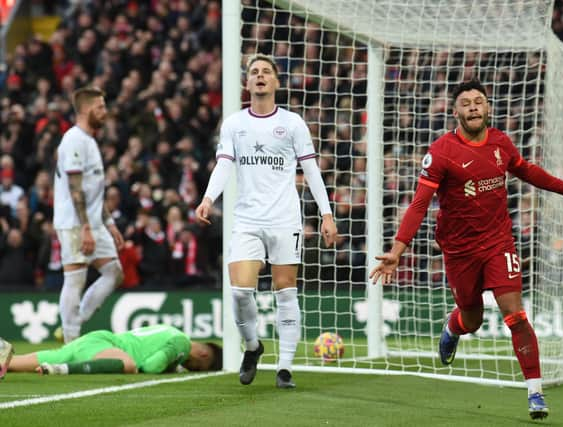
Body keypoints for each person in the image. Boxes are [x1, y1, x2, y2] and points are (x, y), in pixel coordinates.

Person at [369, 79, 563, 420]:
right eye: (466, 103)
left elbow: (525, 169)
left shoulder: (501, 143)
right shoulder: (442, 152)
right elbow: (419, 204)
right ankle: (453, 327)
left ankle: (535, 392)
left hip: (498, 241)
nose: (473, 107)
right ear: (455, 111)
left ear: (488, 108)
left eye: (479, 101)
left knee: (515, 314)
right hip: (459, 249)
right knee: (471, 319)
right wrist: (398, 250)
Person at [195, 54, 337, 389]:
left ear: (276, 82)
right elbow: (224, 165)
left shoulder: (292, 123)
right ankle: (253, 346)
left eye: (266, 72)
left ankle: (285, 368)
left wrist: (326, 213)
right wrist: (207, 198)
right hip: (246, 219)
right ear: (247, 83)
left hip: (285, 219)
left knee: (286, 292)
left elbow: (311, 170)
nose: (259, 76)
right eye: (254, 72)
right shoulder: (234, 124)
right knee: (241, 291)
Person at [53, 86, 125, 343]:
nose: (104, 112)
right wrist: (84, 227)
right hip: (74, 223)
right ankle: (71, 339)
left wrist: (109, 223)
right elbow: (75, 190)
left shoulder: (90, 141)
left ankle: (75, 321)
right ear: (85, 110)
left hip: (93, 222)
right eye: (100, 107)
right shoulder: (73, 140)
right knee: (76, 277)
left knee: (114, 272)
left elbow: (94, 190)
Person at [3, 324, 222, 375]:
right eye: (197, 368)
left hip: (96, 342)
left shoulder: (173, 331)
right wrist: (170, 366)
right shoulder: (181, 343)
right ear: (203, 354)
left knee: (10, 363)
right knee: (129, 364)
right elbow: (151, 366)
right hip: (104, 347)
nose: (191, 369)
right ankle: (60, 369)